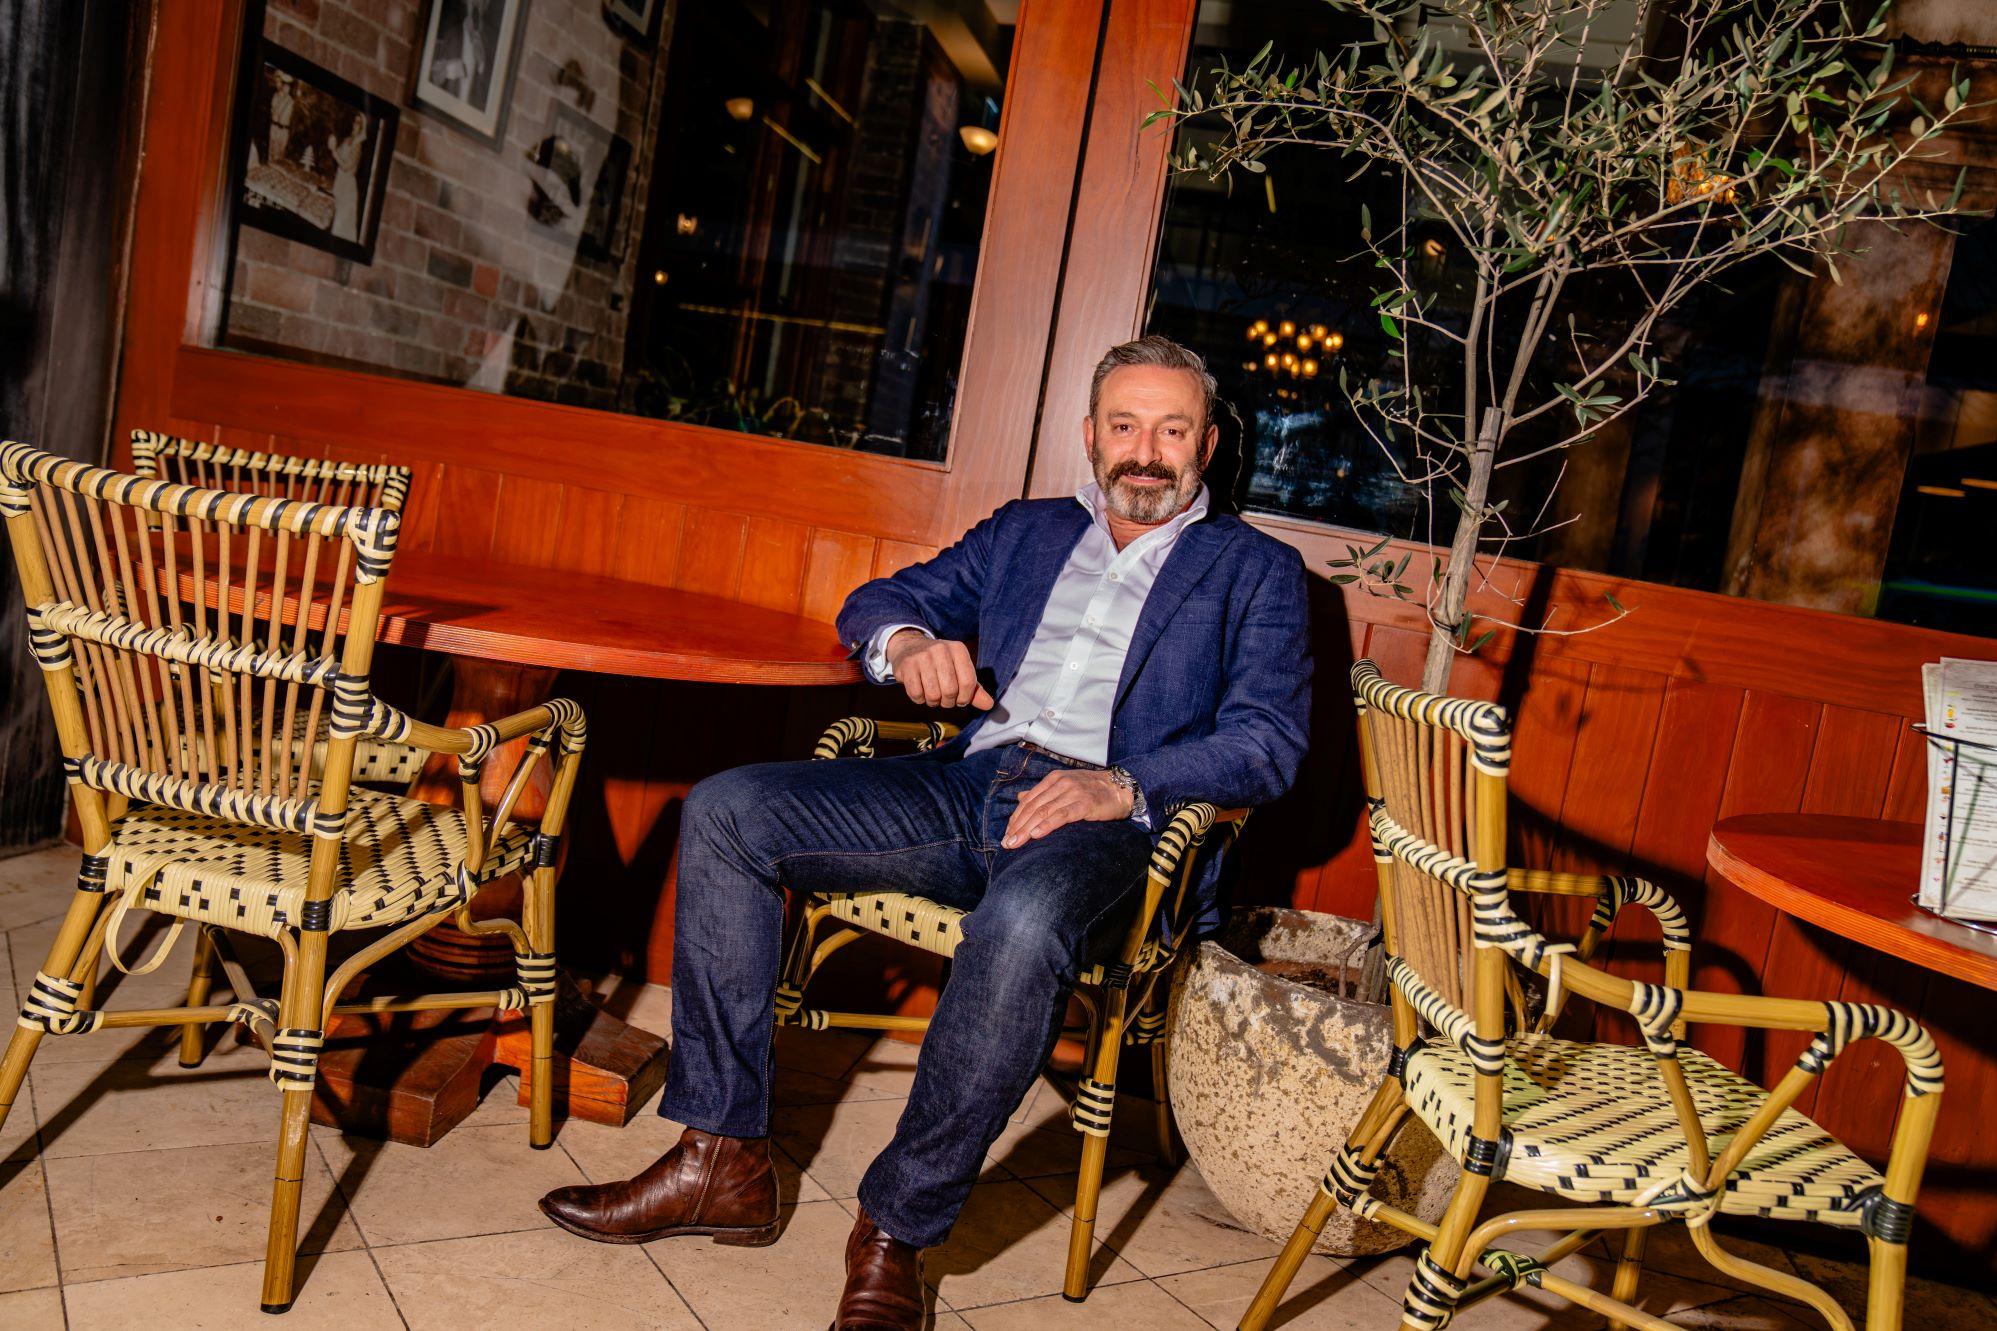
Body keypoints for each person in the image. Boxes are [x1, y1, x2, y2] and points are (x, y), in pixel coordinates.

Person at [538, 335, 1312, 1330]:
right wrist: (908, 644)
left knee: (1025, 922)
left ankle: (894, 1227)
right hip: (971, 780)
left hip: (1113, 826)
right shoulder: (1029, 532)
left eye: (1170, 428)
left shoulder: (1254, 570)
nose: (1144, 450)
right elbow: (879, 601)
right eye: (1123, 425)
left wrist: (1118, 784)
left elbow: (1266, 741)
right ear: (1089, 434)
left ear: (1205, 442)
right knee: (729, 807)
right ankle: (719, 1160)